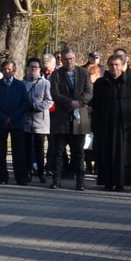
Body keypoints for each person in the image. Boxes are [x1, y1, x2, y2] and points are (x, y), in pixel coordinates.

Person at [90, 53, 131, 191]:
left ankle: (121, 182)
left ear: (123, 66)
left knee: (122, 154)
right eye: (111, 65)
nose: (114, 68)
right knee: (106, 153)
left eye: (117, 65)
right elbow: (96, 103)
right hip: (106, 125)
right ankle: (107, 182)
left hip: (124, 125)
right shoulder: (101, 82)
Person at [48, 49, 91, 190]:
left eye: (71, 58)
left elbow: (89, 92)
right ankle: (56, 180)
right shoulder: (56, 74)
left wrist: (79, 102)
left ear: (75, 58)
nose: (69, 61)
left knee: (79, 152)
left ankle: (80, 182)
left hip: (80, 116)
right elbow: (55, 93)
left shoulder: (83, 73)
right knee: (59, 151)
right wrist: (69, 103)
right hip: (62, 117)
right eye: (66, 59)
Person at [0, 59, 28, 186]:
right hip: (1, 122)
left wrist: (13, 117)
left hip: (17, 123)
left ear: (14, 70)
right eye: (5, 69)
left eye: (9, 69)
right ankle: (3, 177)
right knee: (1, 150)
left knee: (18, 151)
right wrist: (3, 117)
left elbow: (24, 103)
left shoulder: (20, 85)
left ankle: (20, 177)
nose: (7, 71)